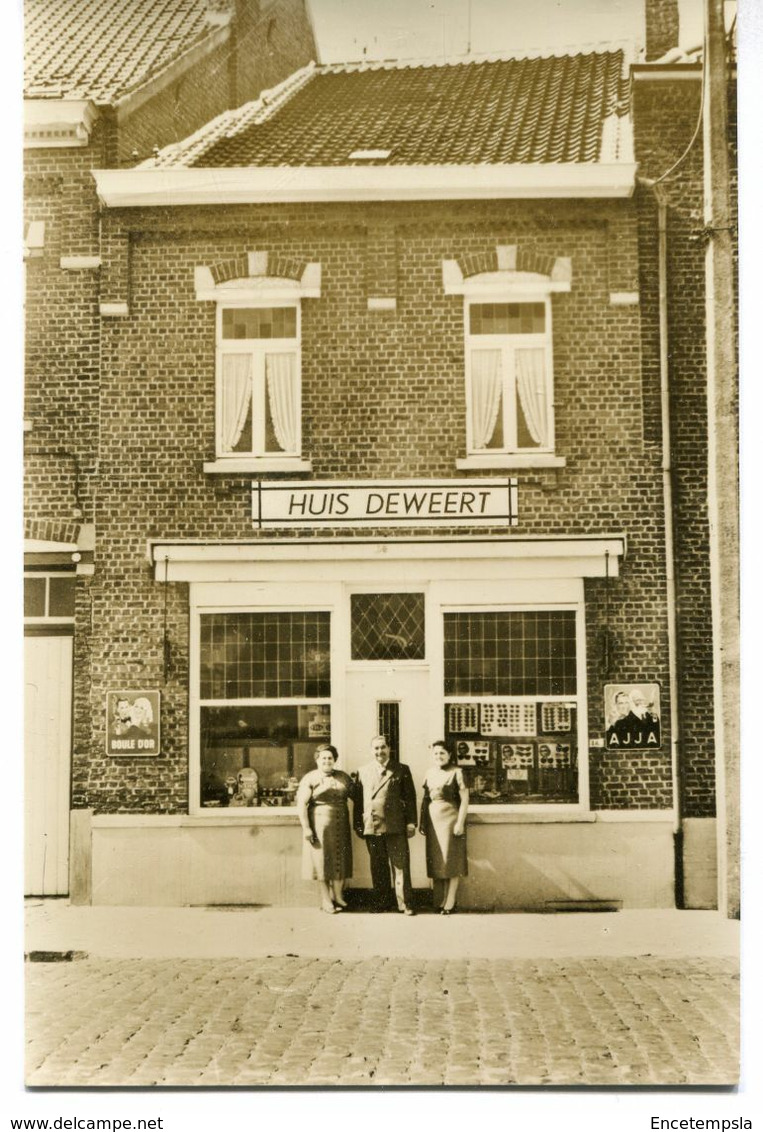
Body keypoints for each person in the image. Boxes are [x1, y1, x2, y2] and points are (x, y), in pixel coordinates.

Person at [353, 734, 418, 915]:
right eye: (376, 748)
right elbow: (358, 802)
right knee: (378, 866)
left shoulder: (401, 769)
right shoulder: (363, 771)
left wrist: (411, 822)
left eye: (383, 747)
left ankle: (405, 903)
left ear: (389, 749)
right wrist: (358, 824)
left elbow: (410, 798)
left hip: (396, 826)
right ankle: (381, 903)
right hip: (372, 826)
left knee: (400, 865)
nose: (379, 751)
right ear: (371, 750)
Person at [296, 744, 354, 914]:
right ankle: (326, 899)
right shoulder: (310, 778)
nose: (327, 761)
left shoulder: (343, 777)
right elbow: (301, 805)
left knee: (340, 860)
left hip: (341, 825)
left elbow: (358, 796)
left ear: (334, 760)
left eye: (330, 758)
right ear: (317, 760)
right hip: (319, 827)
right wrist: (306, 828)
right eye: (323, 758)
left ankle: (338, 896)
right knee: (321, 862)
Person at [419, 740, 469, 914]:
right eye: (436, 753)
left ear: (449, 755)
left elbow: (465, 800)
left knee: (451, 860)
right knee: (438, 860)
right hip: (433, 821)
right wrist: (422, 822)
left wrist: (460, 822)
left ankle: (450, 900)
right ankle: (441, 899)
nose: (439, 756)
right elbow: (425, 799)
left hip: (450, 820)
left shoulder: (457, 772)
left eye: (442, 753)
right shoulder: (429, 773)